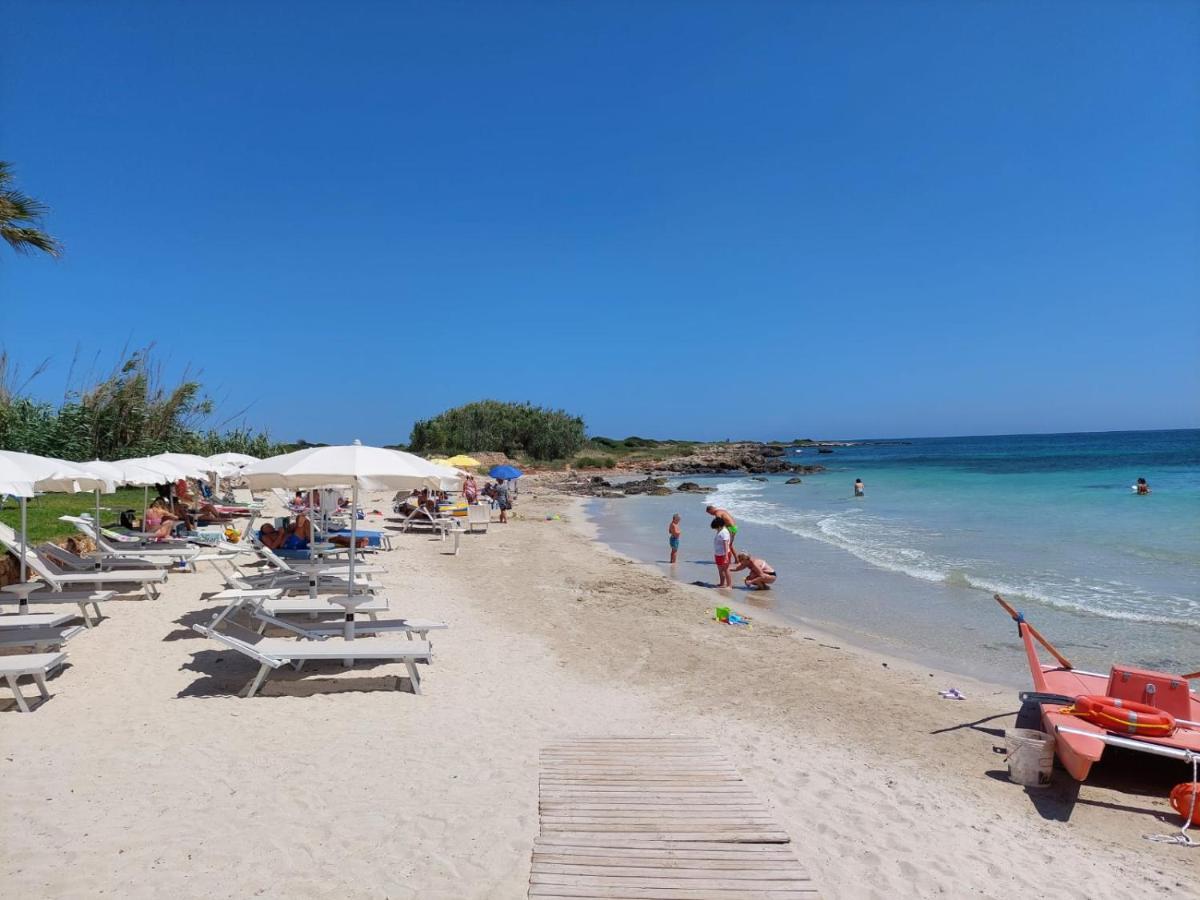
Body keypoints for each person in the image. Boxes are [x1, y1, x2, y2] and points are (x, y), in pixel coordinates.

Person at [711, 516, 732, 587]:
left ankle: (729, 585)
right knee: (720, 570)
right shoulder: (719, 531)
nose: (715, 529)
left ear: (719, 526)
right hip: (718, 554)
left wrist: (726, 556)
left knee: (726, 570)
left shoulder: (724, 532)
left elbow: (726, 544)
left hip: (724, 554)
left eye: (716, 527)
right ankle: (722, 583)